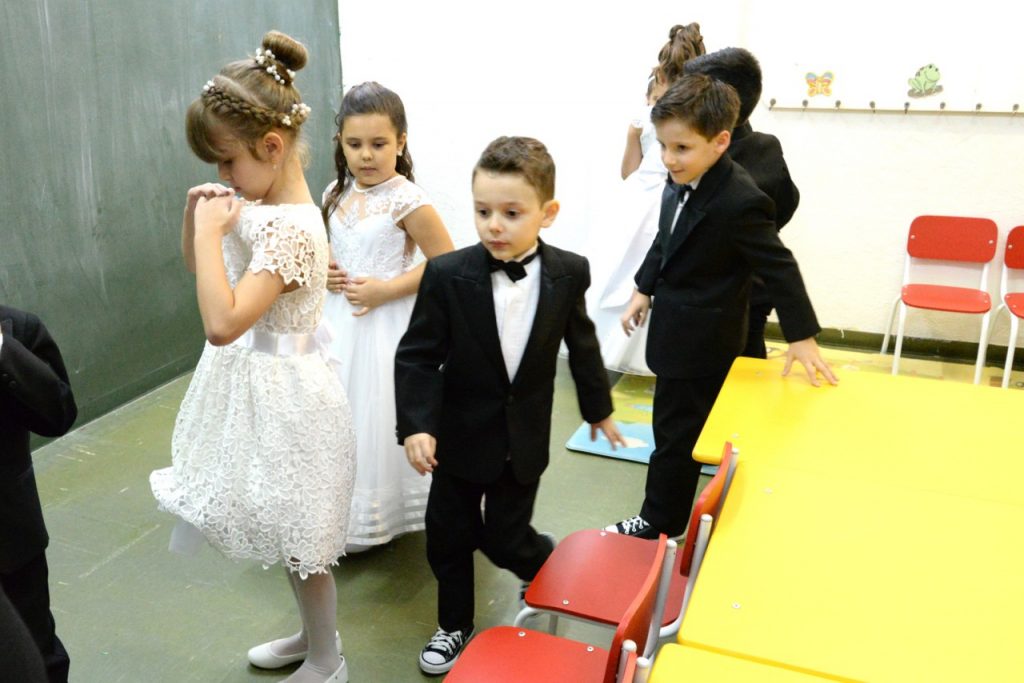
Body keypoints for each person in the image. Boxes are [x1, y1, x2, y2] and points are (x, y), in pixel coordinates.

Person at [148, 31, 354, 683]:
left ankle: (328, 659)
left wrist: (215, 232)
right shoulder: (260, 206)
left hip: (290, 394)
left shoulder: (295, 230)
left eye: (227, 161)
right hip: (257, 386)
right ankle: (311, 635)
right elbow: (201, 269)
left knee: (303, 536)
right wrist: (198, 221)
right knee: (285, 527)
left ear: (271, 147)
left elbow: (223, 321)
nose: (222, 177)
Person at [395, 136, 626, 674]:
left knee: (505, 536)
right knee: (448, 536)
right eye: (483, 212)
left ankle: (538, 560)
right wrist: (417, 425)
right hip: (457, 436)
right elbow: (418, 356)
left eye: (511, 213)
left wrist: (598, 408)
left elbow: (582, 344)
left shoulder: (569, 272)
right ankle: (454, 624)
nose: (493, 225)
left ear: (548, 213)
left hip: (522, 437)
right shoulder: (447, 275)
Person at [605, 75, 837, 540]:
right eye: (663, 146)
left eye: (681, 148)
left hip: (704, 338)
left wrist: (801, 335)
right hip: (676, 328)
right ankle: (678, 511)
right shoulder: (682, 177)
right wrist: (642, 289)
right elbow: (665, 239)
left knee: (676, 436)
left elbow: (779, 267)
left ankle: (660, 520)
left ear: (721, 141)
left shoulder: (740, 200)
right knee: (681, 432)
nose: (669, 158)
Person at [321, 82, 453, 553]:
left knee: (377, 412)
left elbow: (446, 262)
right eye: (354, 144)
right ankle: (335, 512)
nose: (366, 155)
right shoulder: (334, 192)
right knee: (335, 412)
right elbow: (332, 248)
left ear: (400, 142)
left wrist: (385, 289)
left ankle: (379, 513)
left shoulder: (406, 198)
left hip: (388, 324)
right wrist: (327, 271)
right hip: (337, 322)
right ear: (340, 143)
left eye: (379, 144)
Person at [589, 22, 706, 374]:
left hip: (666, 197)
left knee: (645, 269)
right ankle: (614, 347)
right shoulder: (655, 100)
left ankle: (639, 350)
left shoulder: (690, 105)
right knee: (622, 269)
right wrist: (632, 135)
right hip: (641, 197)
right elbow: (630, 171)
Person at [684, 47, 801, 358]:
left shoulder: (699, 157)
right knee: (747, 365)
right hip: (754, 287)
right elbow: (788, 202)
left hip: (709, 294)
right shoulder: (767, 147)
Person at [0, 304, 77, 683]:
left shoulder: (18, 329)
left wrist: (2, 347)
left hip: (10, 545)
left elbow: (58, 414)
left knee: (35, 656)